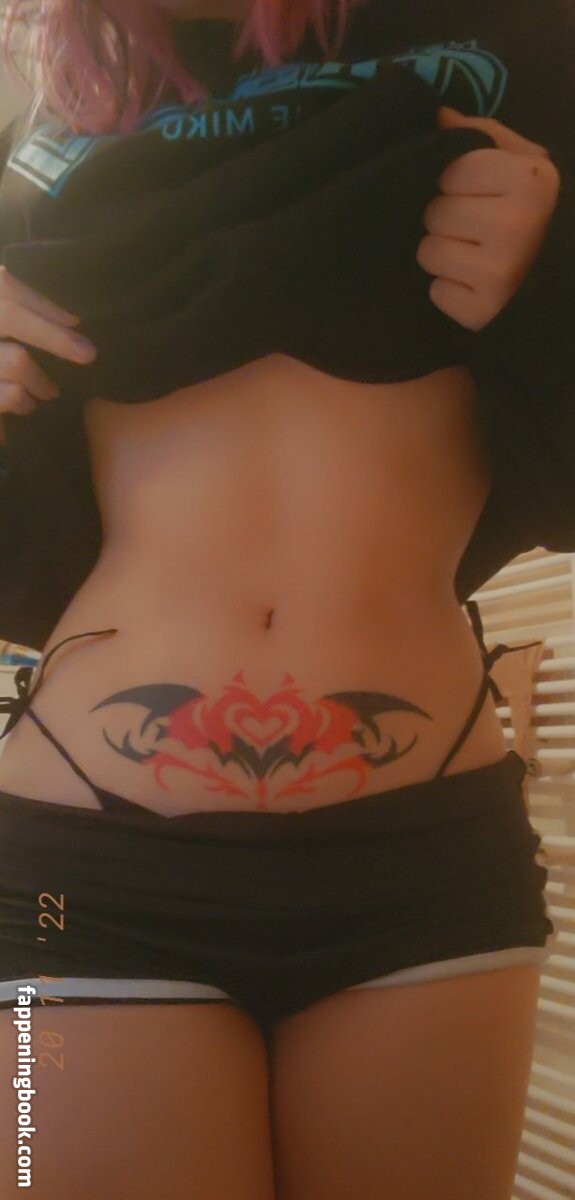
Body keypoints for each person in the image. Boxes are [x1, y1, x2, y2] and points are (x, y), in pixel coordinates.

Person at [0, 0, 568, 1196]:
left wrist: (555, 274)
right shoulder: (51, 129)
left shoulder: (528, 43)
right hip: (77, 877)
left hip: (421, 866)